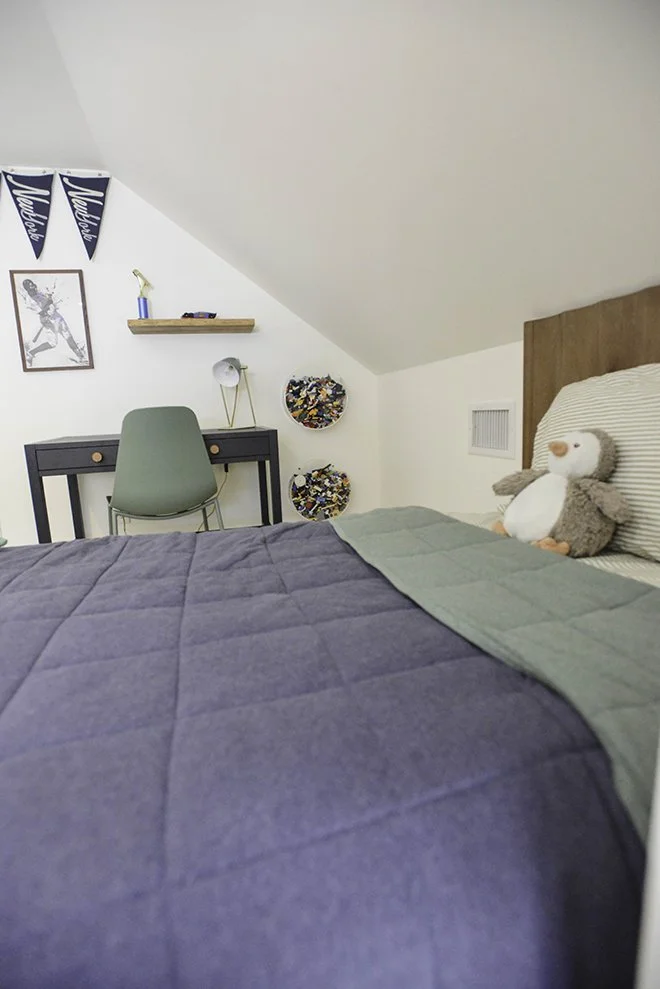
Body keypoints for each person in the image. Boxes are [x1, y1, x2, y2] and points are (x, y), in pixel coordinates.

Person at [21, 278, 87, 367]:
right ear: (27, 290)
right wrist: (48, 304)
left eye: (32, 285)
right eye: (30, 287)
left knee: (68, 336)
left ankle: (81, 357)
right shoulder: (30, 301)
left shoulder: (39, 292)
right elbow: (42, 312)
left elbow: (49, 300)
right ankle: (31, 353)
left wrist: (49, 299)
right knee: (52, 344)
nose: (33, 287)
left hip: (56, 316)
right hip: (47, 320)